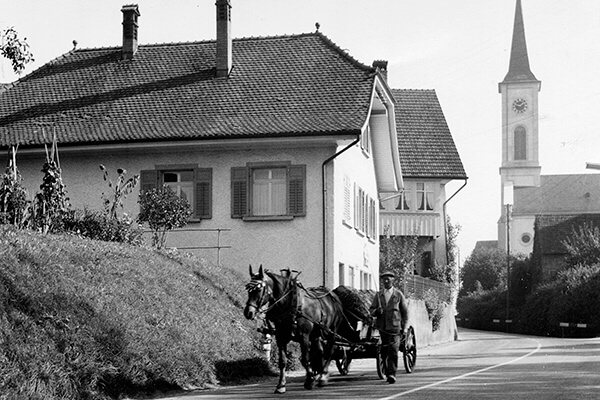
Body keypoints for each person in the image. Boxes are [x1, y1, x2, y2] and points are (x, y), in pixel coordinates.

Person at [369, 270, 409, 384]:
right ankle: (387, 372)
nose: (386, 281)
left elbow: (405, 312)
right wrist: (377, 311)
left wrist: (405, 328)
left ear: (393, 280)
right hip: (382, 328)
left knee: (393, 350)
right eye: (384, 279)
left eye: (388, 279)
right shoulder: (378, 295)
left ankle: (392, 373)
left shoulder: (398, 295)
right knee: (384, 351)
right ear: (382, 281)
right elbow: (371, 311)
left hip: (395, 328)